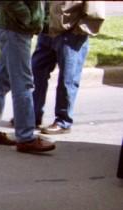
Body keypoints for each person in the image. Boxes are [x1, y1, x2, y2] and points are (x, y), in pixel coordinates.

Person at [0, 1, 55, 153]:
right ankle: (26, 138)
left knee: (1, 82)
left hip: (14, 28)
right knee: (23, 84)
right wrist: (27, 18)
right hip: (15, 29)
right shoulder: (18, 23)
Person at [31, 1, 105, 134]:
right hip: (47, 31)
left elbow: (95, 9)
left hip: (70, 34)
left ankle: (63, 122)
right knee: (36, 72)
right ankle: (32, 115)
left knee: (67, 80)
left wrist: (79, 30)